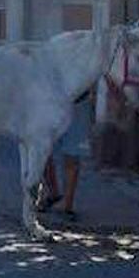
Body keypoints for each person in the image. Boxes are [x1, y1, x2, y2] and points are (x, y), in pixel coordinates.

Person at [38, 91, 95, 220]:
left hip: (75, 99)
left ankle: (66, 203)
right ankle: (54, 193)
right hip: (51, 99)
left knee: (71, 152)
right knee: (42, 149)